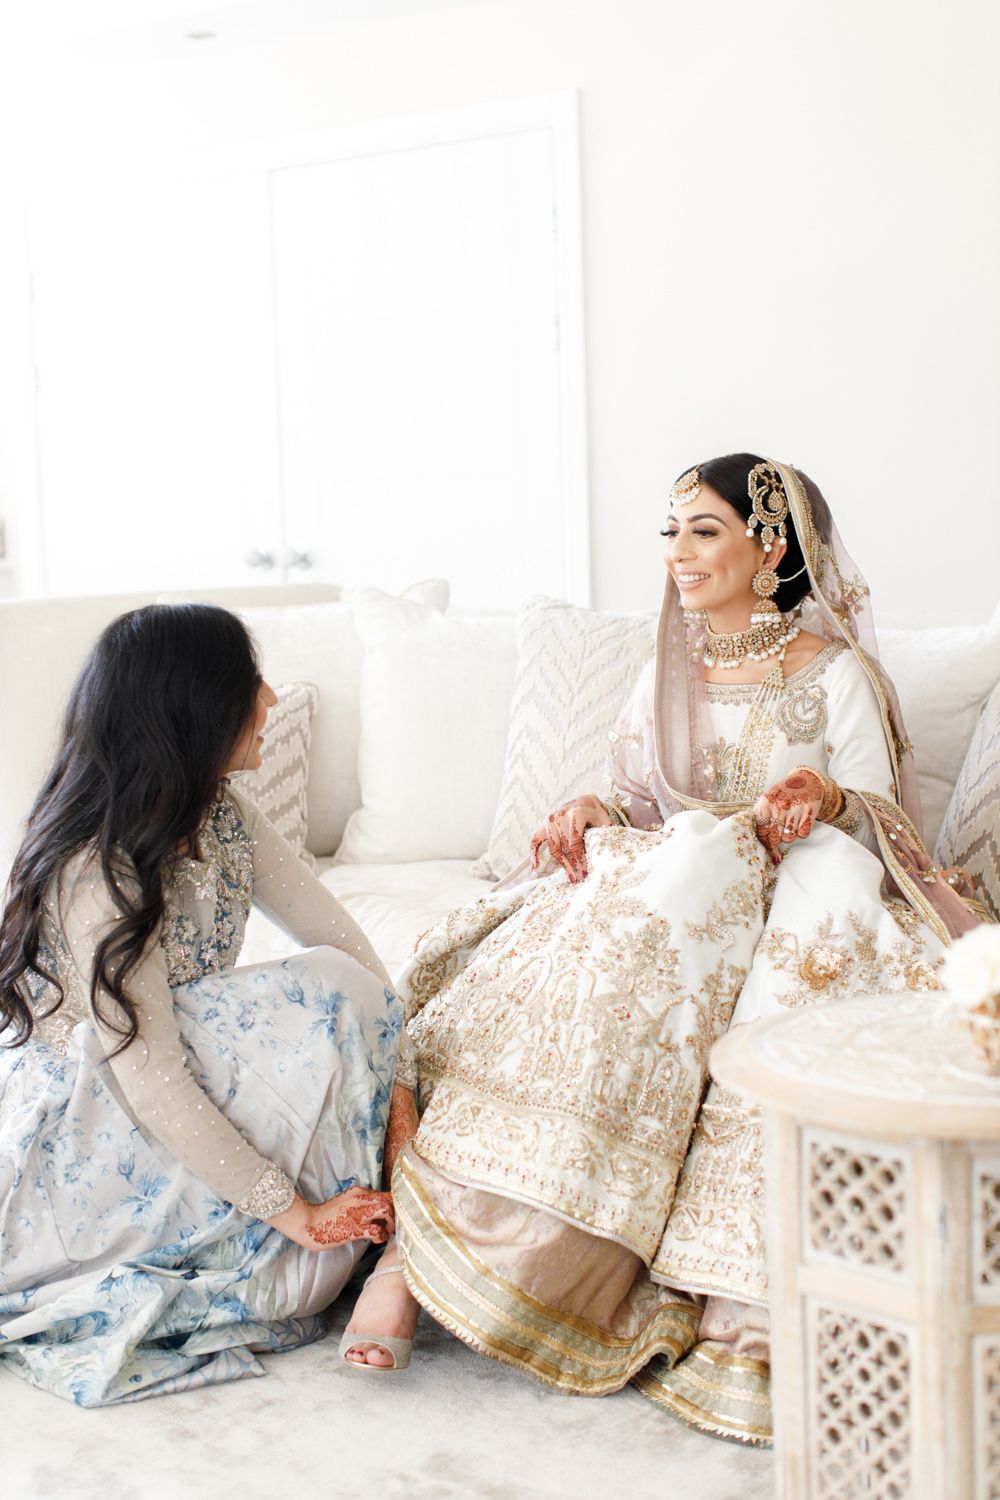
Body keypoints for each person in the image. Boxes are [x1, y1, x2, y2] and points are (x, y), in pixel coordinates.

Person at [390, 455, 984, 1444]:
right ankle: (524, 1238)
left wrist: (826, 797)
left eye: (704, 530)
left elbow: (883, 821)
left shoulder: (835, 672)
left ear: (772, 545)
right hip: (695, 887)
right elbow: (635, 800)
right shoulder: (670, 670)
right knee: (650, 893)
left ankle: (748, 1307)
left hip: (799, 885)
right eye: (670, 531)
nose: (678, 552)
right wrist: (590, 808)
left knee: (806, 899)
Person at [0, 603, 420, 1405]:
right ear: (193, 710)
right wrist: (296, 1215)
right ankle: (383, 1250)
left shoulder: (222, 814)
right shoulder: (97, 869)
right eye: (250, 684)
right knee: (327, 1001)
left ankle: (397, 1249)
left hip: (169, 1087)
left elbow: (348, 949)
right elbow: (154, 1081)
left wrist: (396, 1081)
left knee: (343, 990)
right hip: (90, 1130)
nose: (271, 700)